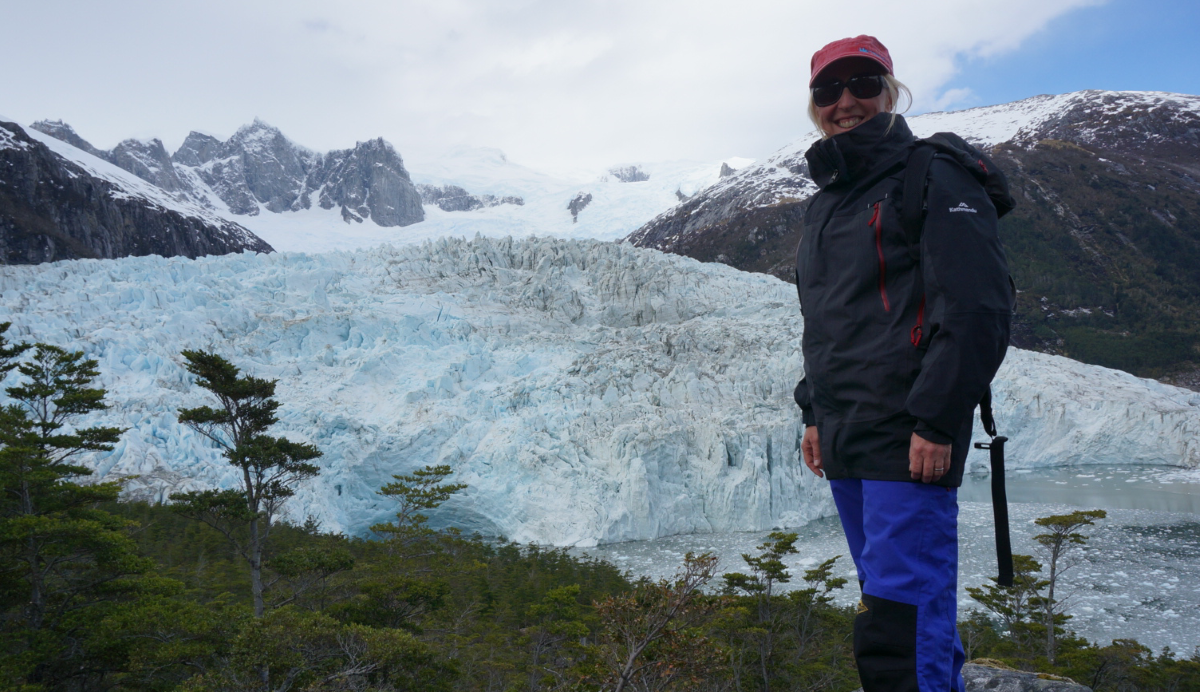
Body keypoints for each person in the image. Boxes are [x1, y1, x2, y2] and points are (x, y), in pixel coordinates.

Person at [792, 35, 1013, 692]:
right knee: (889, 603)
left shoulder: (931, 173)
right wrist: (813, 413)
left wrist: (938, 419)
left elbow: (977, 308)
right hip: (845, 434)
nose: (846, 102)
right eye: (829, 90)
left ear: (891, 91)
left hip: (907, 432)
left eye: (863, 84)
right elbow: (832, 320)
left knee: (899, 615)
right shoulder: (828, 200)